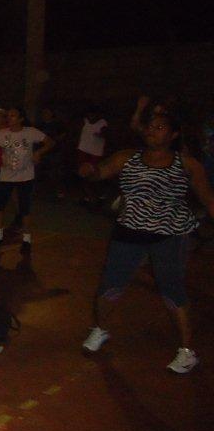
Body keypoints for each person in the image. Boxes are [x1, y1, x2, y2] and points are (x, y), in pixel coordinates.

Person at [80, 111, 214, 373]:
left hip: (169, 234)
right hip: (129, 230)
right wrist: (90, 172)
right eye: (150, 127)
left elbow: (208, 198)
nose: (152, 130)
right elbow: (100, 173)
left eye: (160, 127)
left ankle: (187, 352)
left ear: (173, 134)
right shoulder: (127, 157)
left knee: (172, 290)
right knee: (110, 285)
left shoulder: (187, 164)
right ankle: (100, 329)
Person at [0, 108, 53, 253]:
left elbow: (50, 142)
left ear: (21, 118)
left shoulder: (30, 132)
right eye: (8, 116)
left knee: (25, 209)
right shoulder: (2, 134)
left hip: (25, 177)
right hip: (5, 177)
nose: (9, 118)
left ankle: (26, 240)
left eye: (12, 115)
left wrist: (38, 152)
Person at [76, 106, 108, 205]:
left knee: (94, 174)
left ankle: (97, 196)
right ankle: (87, 196)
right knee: (83, 173)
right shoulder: (84, 121)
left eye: (93, 114)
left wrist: (101, 135)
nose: (91, 116)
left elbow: (106, 135)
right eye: (89, 114)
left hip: (95, 152)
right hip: (83, 150)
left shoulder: (102, 123)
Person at [37, 107, 68, 198]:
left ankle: (58, 192)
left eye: (47, 112)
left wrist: (55, 140)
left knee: (55, 172)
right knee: (40, 171)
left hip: (54, 152)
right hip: (42, 151)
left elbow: (63, 134)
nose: (45, 114)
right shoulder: (40, 125)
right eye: (44, 113)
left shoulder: (57, 124)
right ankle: (41, 191)